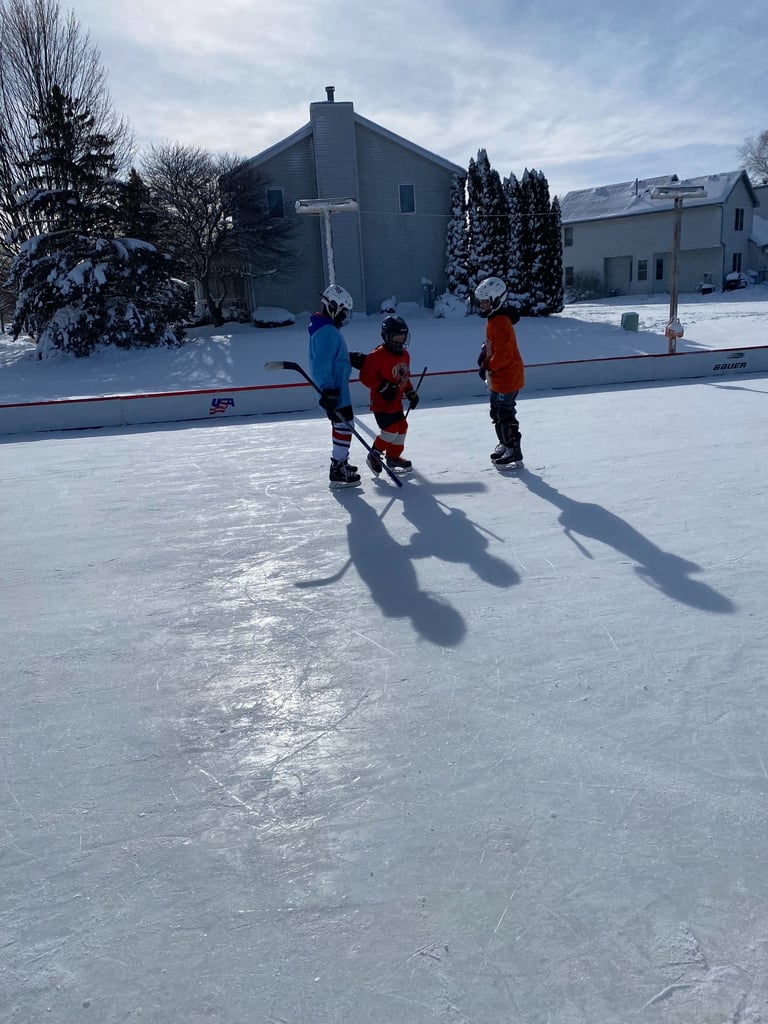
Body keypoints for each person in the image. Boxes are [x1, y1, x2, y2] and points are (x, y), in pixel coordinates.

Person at [308, 284, 361, 488]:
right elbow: (321, 363)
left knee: (342, 425)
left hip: (336, 389)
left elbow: (333, 357)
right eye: (343, 312)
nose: (344, 317)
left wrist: (350, 358)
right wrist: (328, 389)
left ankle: (341, 462)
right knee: (345, 425)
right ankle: (338, 468)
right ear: (333, 307)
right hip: (334, 391)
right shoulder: (327, 331)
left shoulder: (326, 329)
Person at [356, 314, 420, 475]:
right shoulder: (376, 356)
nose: (400, 341)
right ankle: (374, 455)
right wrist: (383, 387)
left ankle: (393, 457)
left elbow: (404, 377)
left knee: (402, 427)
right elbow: (365, 376)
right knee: (390, 431)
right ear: (386, 336)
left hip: (396, 403)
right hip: (381, 405)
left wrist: (410, 392)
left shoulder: (405, 355)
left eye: (403, 337)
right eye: (397, 337)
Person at [475, 276, 525, 467]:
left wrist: (488, 366)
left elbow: (504, 353)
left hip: (508, 377)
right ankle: (504, 443)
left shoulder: (502, 321)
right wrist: (484, 353)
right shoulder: (493, 319)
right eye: (481, 302)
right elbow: (493, 344)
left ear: (496, 300)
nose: (482, 305)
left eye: (485, 302)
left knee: (505, 413)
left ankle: (514, 449)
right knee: (496, 412)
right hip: (497, 377)